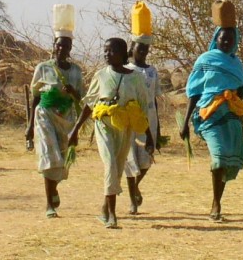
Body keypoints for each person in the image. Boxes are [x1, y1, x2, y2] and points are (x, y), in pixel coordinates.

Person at [180, 0, 243, 223]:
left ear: (235, 42)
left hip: (232, 115)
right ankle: (215, 204)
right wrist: (185, 123)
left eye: (230, 40)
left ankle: (217, 201)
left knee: (228, 161)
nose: (226, 42)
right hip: (209, 114)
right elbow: (194, 92)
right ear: (216, 39)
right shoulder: (205, 60)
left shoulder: (236, 64)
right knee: (218, 159)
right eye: (222, 38)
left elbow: (240, 95)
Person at [68, 38, 150, 229]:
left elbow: (142, 108)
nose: (106, 54)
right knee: (111, 164)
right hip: (103, 124)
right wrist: (75, 129)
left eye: (111, 51)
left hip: (125, 127)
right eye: (105, 51)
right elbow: (89, 104)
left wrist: (150, 137)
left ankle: (105, 207)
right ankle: (112, 215)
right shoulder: (101, 75)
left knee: (119, 167)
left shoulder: (135, 78)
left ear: (122, 53)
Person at [25, 35, 84, 219]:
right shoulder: (43, 68)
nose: (61, 49)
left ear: (70, 49)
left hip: (66, 117)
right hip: (45, 115)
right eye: (59, 45)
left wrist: (72, 91)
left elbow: (81, 98)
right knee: (49, 156)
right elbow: (35, 96)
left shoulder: (76, 71)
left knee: (62, 158)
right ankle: (49, 203)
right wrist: (29, 127)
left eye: (66, 46)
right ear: (54, 47)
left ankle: (54, 187)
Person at [123, 38, 159, 215]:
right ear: (132, 49)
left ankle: (135, 186)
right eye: (140, 48)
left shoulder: (152, 71)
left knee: (146, 161)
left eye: (146, 48)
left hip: (149, 119)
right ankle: (132, 200)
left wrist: (157, 127)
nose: (143, 51)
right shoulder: (126, 70)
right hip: (130, 120)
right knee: (130, 160)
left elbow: (154, 99)